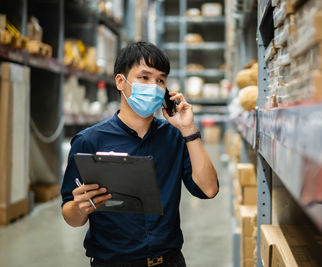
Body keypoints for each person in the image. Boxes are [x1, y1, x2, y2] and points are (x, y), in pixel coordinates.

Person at [61, 41, 219, 267]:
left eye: (160, 80)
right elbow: (71, 216)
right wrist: (79, 208)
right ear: (120, 82)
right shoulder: (89, 141)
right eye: (144, 78)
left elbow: (209, 189)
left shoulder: (174, 137)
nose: (153, 86)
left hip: (169, 261)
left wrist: (188, 130)